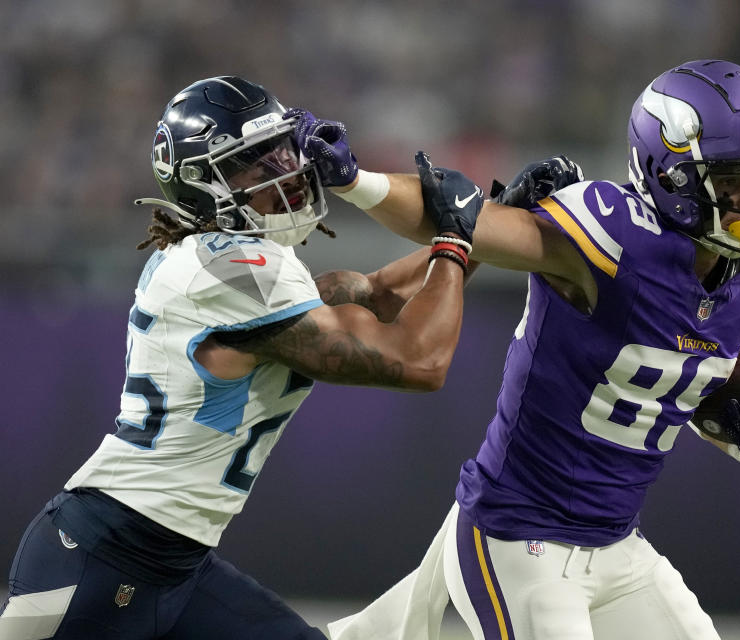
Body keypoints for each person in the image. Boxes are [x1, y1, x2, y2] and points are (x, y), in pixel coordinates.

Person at [292, 59, 740, 640]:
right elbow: (459, 217)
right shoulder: (617, 240)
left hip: (618, 546)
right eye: (733, 178)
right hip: (521, 539)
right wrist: (351, 180)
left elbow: (672, 371)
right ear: (672, 175)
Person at [0, 75, 486, 640]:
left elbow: (379, 294)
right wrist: (455, 242)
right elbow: (420, 361)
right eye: (257, 163)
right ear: (204, 185)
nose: (286, 171)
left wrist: (492, 216)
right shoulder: (230, 271)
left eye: (281, 150)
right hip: (103, 560)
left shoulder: (229, 260)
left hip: (176, 565)